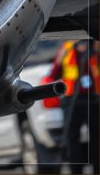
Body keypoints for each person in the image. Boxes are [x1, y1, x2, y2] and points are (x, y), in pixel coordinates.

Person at [53, 40, 100, 173]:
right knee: (72, 139)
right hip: (71, 100)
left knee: (97, 139)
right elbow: (55, 73)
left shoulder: (96, 47)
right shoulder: (67, 48)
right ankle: (76, 171)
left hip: (93, 99)